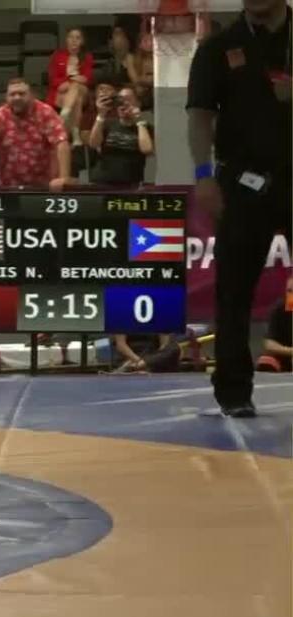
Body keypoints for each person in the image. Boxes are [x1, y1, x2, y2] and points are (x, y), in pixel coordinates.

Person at [187, 0, 291, 417]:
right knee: (233, 290)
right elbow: (200, 116)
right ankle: (233, 391)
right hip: (243, 181)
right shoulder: (218, 47)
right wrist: (203, 175)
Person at [0, 78, 72, 191]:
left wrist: (63, 177)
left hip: (44, 185)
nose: (17, 97)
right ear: (6, 97)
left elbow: (61, 143)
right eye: (12, 94)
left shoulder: (46, 112)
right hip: (8, 186)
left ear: (31, 95)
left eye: (22, 94)